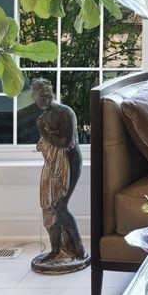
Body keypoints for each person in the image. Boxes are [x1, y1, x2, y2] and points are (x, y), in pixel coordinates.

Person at [30, 78, 89, 274]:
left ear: (45, 94)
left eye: (36, 95)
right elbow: (49, 142)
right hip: (51, 164)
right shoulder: (42, 119)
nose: (34, 99)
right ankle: (56, 250)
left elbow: (66, 142)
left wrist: (46, 133)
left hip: (70, 163)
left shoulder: (65, 112)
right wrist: (45, 131)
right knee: (50, 207)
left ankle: (78, 247)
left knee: (61, 205)